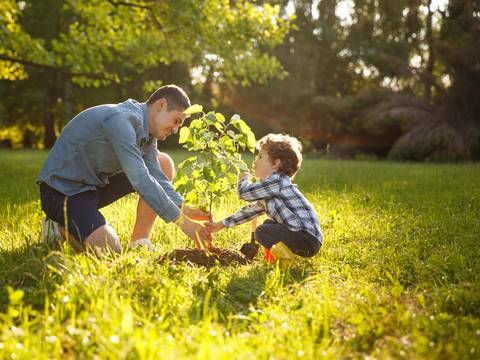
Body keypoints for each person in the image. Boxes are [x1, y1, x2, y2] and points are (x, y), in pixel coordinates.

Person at [38, 84, 211, 254]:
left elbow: (157, 177)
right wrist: (183, 222)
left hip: (92, 186)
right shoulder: (121, 120)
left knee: (163, 162)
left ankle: (140, 241)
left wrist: (184, 208)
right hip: (62, 191)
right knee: (110, 250)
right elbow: (141, 179)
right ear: (161, 105)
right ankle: (58, 224)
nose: (175, 129)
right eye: (176, 121)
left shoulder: (149, 135)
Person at [206, 134, 322, 266]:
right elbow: (249, 211)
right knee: (268, 225)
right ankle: (274, 260)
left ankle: (287, 262)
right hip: (305, 237)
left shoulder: (277, 181)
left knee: (262, 231)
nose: (255, 160)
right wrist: (221, 224)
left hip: (305, 237)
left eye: (260, 156)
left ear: (275, 164)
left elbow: (244, 193)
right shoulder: (271, 189)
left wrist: (245, 179)